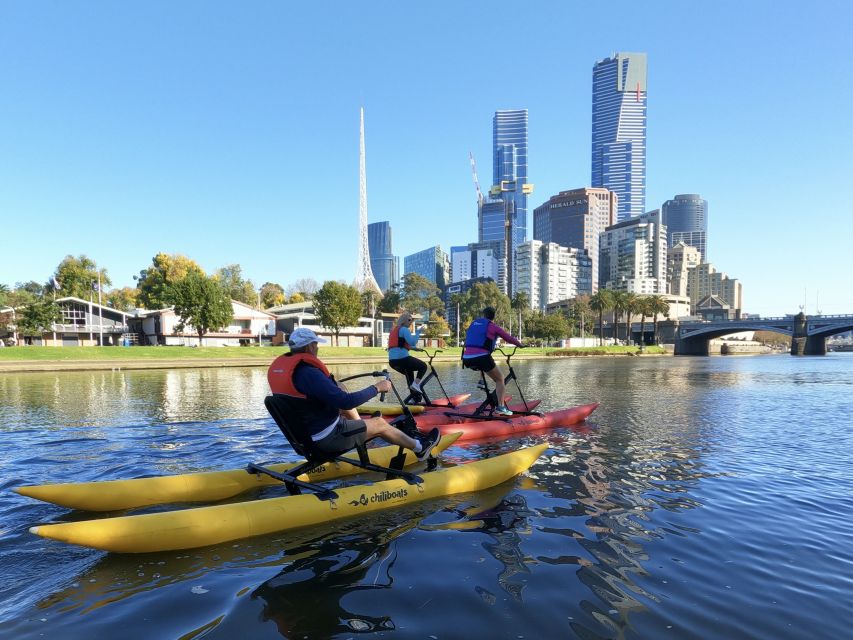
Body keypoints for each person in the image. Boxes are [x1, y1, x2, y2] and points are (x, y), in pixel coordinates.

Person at [268, 327, 440, 460]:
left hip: (304, 439)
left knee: (342, 391)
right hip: (326, 440)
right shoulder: (309, 374)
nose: (317, 349)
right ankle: (420, 448)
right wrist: (377, 388)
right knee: (379, 423)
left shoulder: (289, 372)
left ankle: (364, 432)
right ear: (309, 347)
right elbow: (347, 402)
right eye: (316, 345)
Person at [461, 306, 523, 416]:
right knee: (500, 379)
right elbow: (507, 337)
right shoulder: (492, 326)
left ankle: (481, 382)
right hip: (481, 357)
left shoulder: (474, 324)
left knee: (485, 365)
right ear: (493, 316)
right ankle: (500, 407)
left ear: (483, 315)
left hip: (466, 358)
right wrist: (520, 345)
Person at [387, 311, 428, 396]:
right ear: (404, 320)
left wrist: (415, 349)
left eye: (412, 320)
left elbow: (398, 346)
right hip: (402, 359)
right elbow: (412, 342)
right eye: (409, 320)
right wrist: (418, 332)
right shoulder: (404, 329)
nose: (411, 322)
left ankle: (414, 399)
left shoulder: (394, 330)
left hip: (392, 362)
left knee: (410, 374)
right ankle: (416, 385)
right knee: (423, 366)